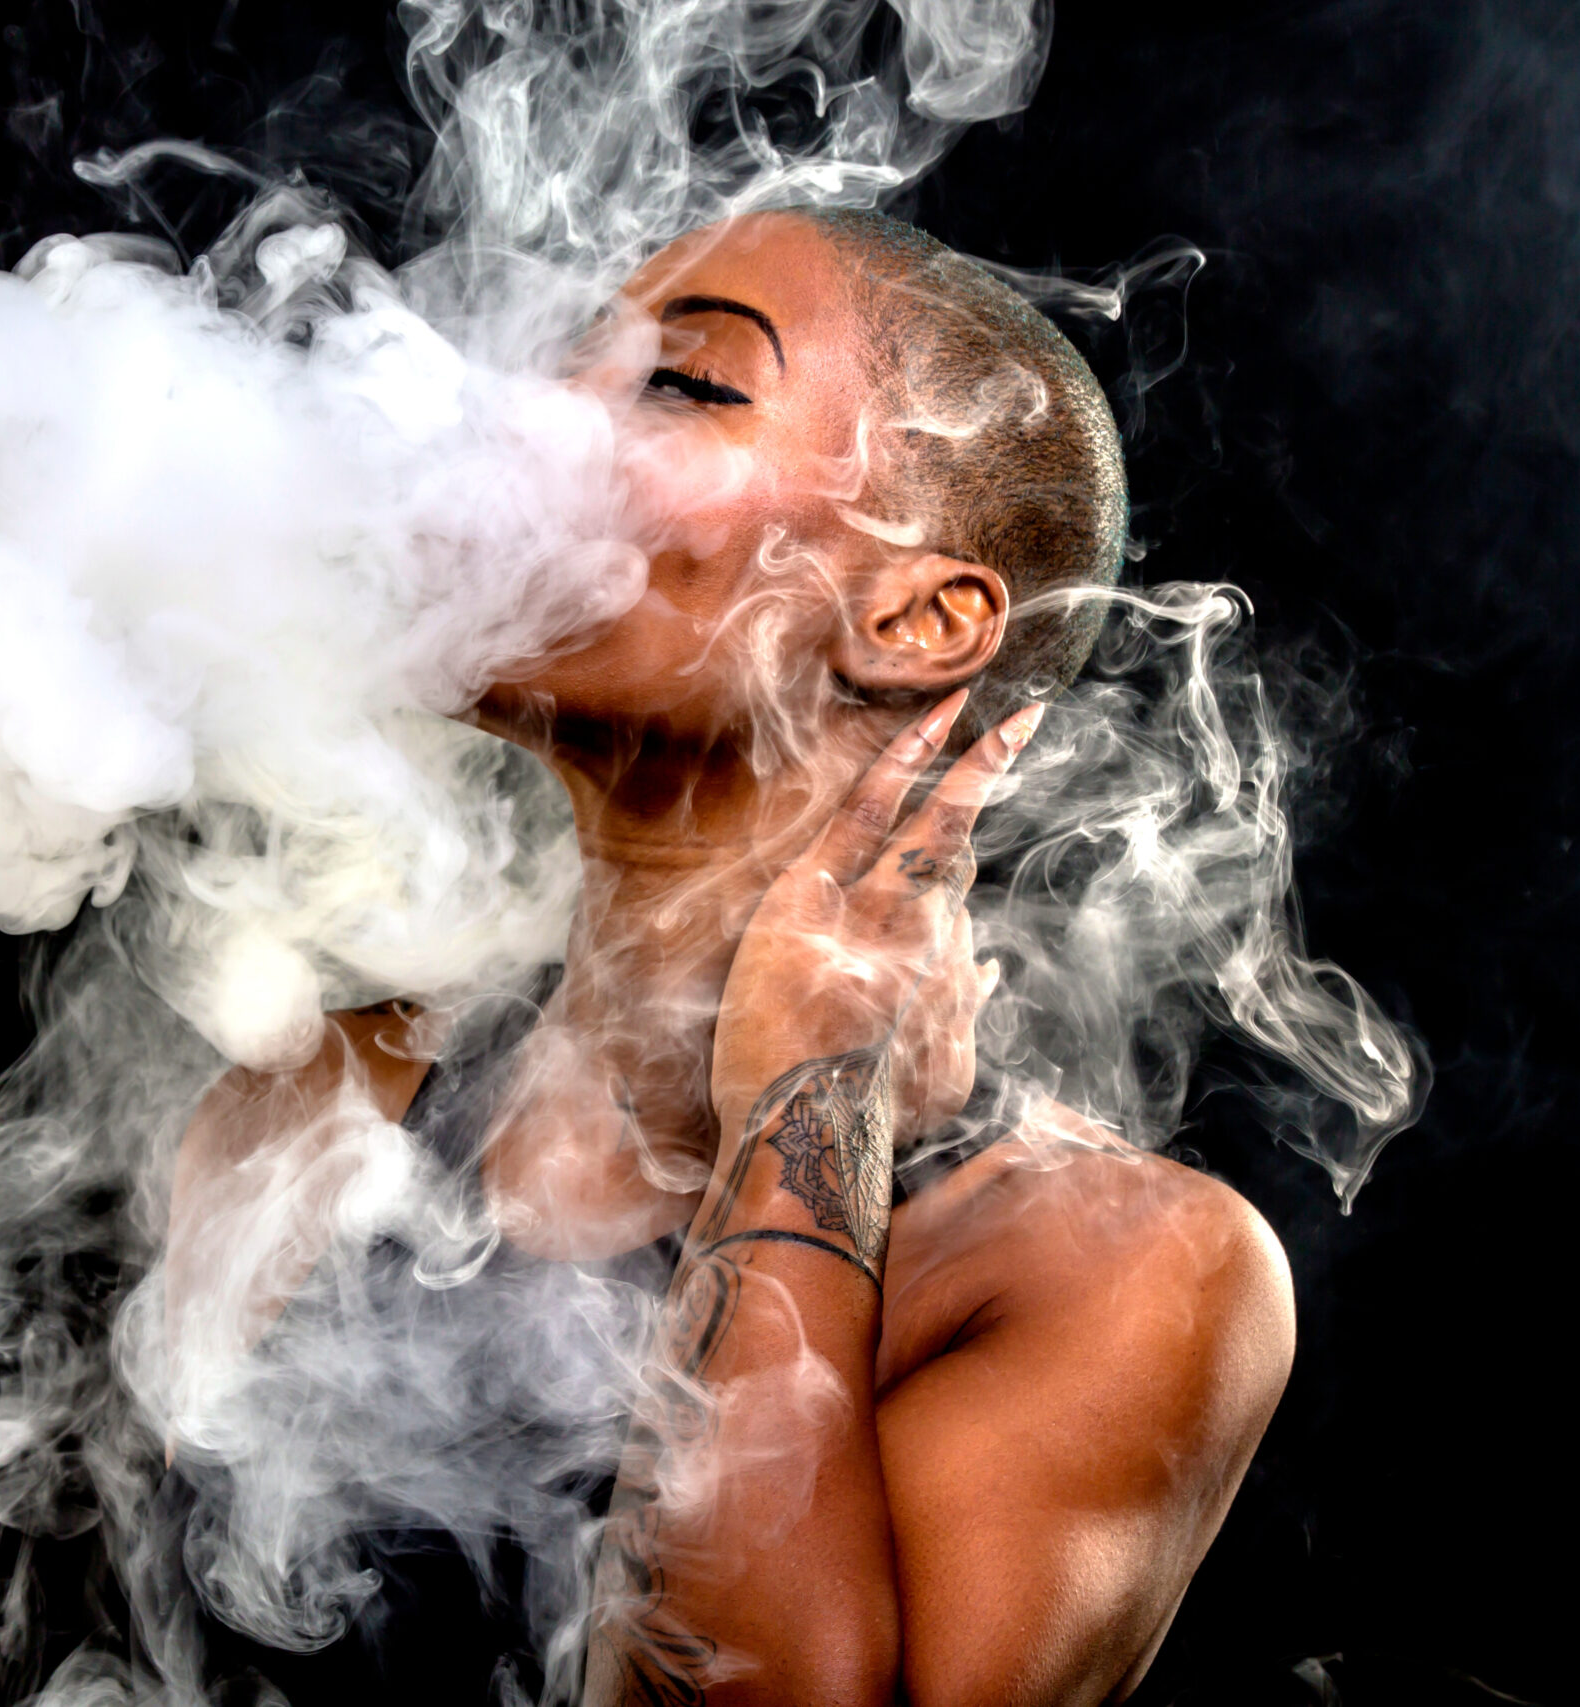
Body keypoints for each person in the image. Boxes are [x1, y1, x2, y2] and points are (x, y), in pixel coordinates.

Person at [167, 209, 1295, 1707]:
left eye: (680, 384)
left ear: (915, 618)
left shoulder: (1125, 1267)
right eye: (561, 368)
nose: (527, 425)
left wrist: (806, 1100)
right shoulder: (310, 1105)